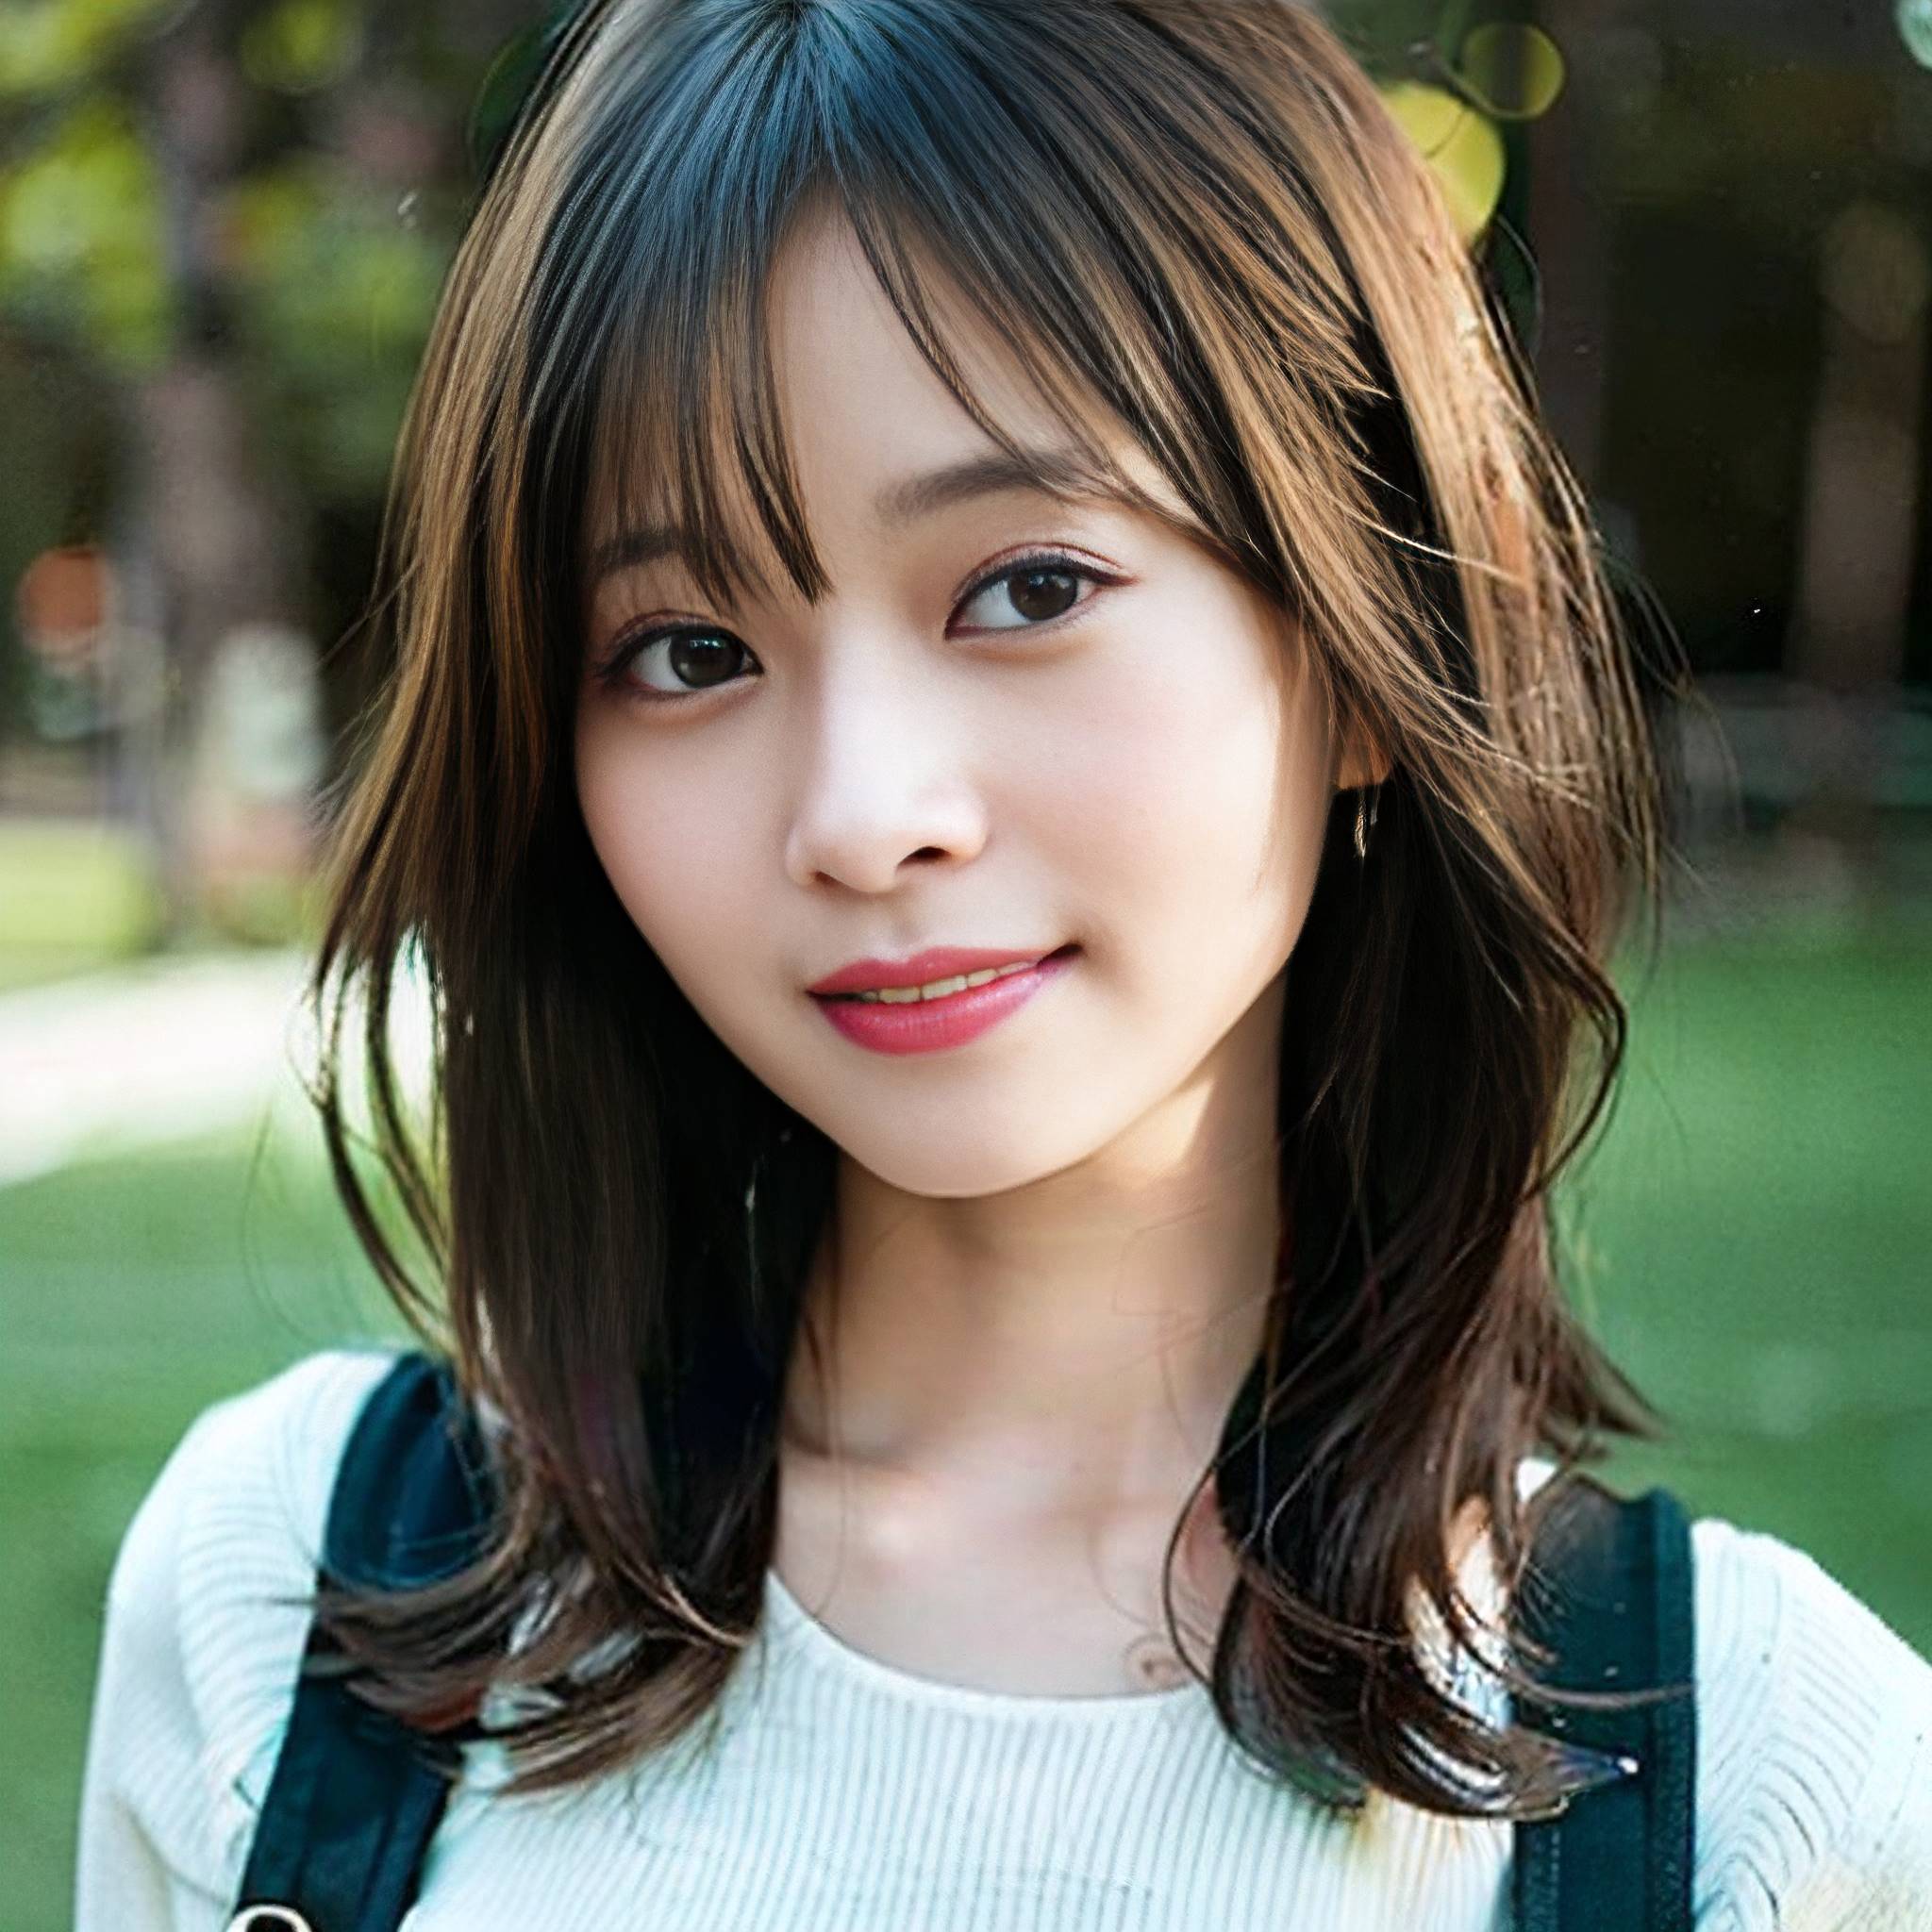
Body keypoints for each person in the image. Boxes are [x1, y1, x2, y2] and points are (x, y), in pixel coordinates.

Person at [75, 1, 1932, 1926]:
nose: (865, 813)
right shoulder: (295, 1602)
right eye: (686, 648)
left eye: (1027, 588)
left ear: (1364, 633)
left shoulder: (1773, 1794)